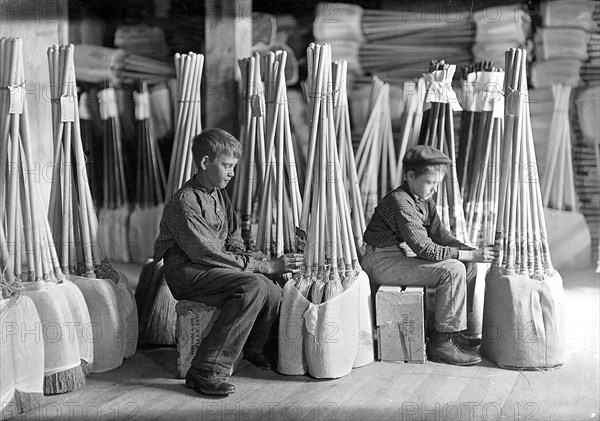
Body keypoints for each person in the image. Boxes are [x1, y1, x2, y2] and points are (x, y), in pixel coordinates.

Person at [154, 128, 304, 396]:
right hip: (188, 271)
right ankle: (205, 370)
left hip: (210, 267)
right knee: (254, 285)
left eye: (234, 166)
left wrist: (254, 258)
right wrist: (264, 266)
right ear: (204, 163)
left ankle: (255, 348)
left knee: (269, 287)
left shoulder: (219, 194)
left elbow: (233, 237)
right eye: (226, 166)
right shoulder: (184, 202)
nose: (232, 172)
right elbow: (207, 252)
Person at [361, 145, 499, 366]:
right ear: (410, 176)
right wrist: (467, 254)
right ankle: (441, 342)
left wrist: (474, 253)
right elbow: (425, 249)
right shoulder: (400, 202)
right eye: (430, 182)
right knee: (453, 269)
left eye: (437, 184)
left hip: (396, 257)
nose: (434, 189)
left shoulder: (424, 202)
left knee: (469, 265)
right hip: (380, 262)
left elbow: (442, 237)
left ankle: (454, 331)